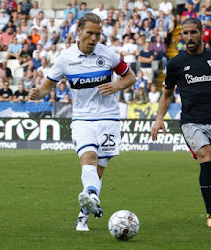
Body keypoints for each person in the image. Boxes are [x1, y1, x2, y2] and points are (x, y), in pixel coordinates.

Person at [28, 13, 136, 232]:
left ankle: (83, 216)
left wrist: (116, 86)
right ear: (79, 32)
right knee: (89, 157)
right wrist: (38, 93)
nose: (94, 38)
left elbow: (130, 77)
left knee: (98, 171)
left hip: (109, 119)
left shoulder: (109, 55)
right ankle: (92, 195)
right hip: (82, 119)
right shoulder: (65, 58)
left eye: (98, 34)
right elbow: (48, 85)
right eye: (90, 33)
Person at [151, 18, 211, 228]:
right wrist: (158, 120)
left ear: (202, 33)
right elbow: (166, 95)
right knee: (207, 157)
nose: (189, 37)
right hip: (191, 122)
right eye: (185, 33)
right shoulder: (175, 63)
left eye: (193, 33)